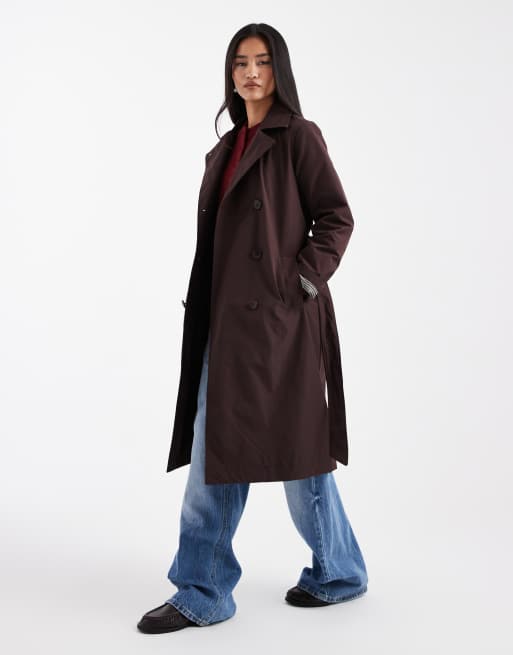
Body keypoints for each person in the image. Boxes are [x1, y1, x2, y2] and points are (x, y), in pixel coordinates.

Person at [137, 23, 368, 634]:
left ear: (278, 70)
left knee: (301, 456)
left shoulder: (299, 136)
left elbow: (336, 217)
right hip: (225, 324)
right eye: (240, 62)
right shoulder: (226, 146)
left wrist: (300, 283)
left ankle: (339, 571)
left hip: (281, 322)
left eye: (262, 62)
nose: (250, 73)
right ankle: (204, 589)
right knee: (215, 453)